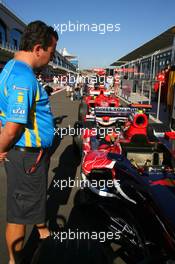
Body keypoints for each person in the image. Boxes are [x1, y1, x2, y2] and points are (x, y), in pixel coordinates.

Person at [0, 20, 58, 264]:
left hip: (27, 156)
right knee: (18, 214)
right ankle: (15, 261)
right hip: (26, 157)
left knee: (29, 201)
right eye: (51, 52)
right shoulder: (23, 79)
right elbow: (12, 128)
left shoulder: (10, 69)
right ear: (38, 49)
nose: (51, 58)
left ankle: (43, 232)